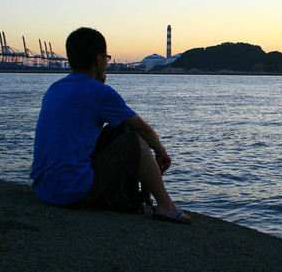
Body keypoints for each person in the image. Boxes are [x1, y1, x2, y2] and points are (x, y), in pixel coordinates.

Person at [31, 27, 190, 223]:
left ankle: (133, 197)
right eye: (106, 58)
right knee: (134, 139)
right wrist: (161, 152)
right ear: (98, 59)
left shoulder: (54, 88)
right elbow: (144, 128)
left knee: (121, 127)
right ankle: (166, 206)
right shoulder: (100, 92)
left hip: (42, 188)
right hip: (70, 191)